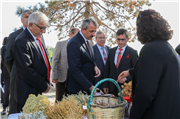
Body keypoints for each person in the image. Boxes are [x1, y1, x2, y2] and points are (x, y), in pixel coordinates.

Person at [118, 9, 179, 119]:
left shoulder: (149, 50)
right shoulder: (167, 48)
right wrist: (129, 72)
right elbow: (155, 71)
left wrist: (134, 116)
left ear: (142, 29)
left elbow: (145, 94)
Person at [13, 11, 50, 112]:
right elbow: (26, 70)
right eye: (41, 28)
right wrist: (43, 85)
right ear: (30, 25)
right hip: (27, 93)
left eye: (45, 27)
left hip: (37, 90)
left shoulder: (39, 37)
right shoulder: (21, 41)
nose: (44, 31)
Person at [4, 10, 32, 115]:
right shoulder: (13, 36)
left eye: (31, 17)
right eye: (26, 17)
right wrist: (15, 73)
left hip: (34, 82)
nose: (28, 19)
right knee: (16, 111)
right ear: (21, 20)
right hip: (18, 82)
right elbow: (8, 59)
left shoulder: (39, 37)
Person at [66, 18, 101, 95]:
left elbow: (89, 58)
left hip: (87, 87)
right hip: (78, 89)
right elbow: (74, 70)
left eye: (95, 31)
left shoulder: (89, 40)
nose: (93, 34)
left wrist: (95, 66)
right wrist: (91, 87)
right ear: (83, 30)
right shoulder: (74, 43)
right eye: (91, 31)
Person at [103, 29, 138, 96]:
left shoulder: (133, 52)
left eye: (123, 39)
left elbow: (136, 70)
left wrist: (126, 78)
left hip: (125, 89)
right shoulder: (111, 51)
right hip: (111, 88)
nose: (120, 42)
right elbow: (107, 69)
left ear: (127, 39)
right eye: (118, 39)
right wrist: (105, 84)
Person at [51, 27, 80, 102]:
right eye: (77, 34)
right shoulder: (60, 44)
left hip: (74, 79)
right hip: (61, 78)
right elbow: (55, 60)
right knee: (59, 101)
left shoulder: (79, 46)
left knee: (71, 102)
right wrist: (54, 76)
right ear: (71, 34)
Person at [1, 37, 10, 115]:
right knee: (7, 90)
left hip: (7, 72)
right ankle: (5, 107)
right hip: (7, 72)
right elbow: (4, 60)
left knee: (8, 90)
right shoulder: (4, 48)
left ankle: (6, 107)